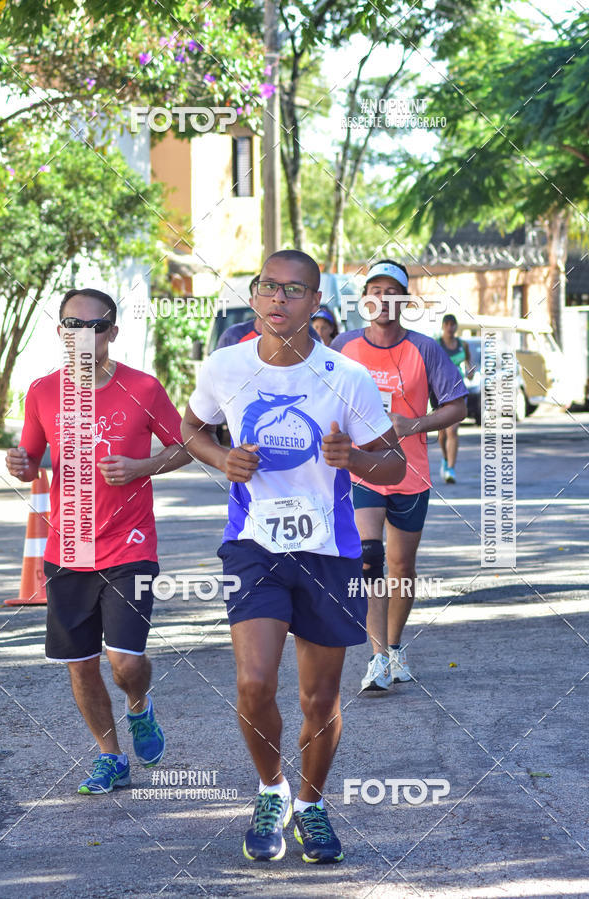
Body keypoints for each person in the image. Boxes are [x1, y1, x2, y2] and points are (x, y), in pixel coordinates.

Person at [181, 250, 405, 863]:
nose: (278, 299)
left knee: (319, 700)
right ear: (254, 295)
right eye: (267, 287)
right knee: (253, 683)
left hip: (330, 551)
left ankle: (311, 803)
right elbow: (188, 428)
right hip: (254, 545)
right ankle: (271, 790)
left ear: (315, 303)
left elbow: (395, 463)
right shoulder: (226, 366)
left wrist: (352, 460)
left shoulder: (347, 377)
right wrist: (219, 458)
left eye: (294, 290)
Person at [6, 288, 192, 795]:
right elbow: (30, 458)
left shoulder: (143, 388)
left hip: (130, 544)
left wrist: (142, 466)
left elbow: (187, 446)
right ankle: (110, 757)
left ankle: (139, 706)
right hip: (70, 548)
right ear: (60, 331)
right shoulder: (43, 391)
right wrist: (20, 464)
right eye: (71, 324)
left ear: (112, 332)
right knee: (82, 666)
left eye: (93, 325)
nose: (81, 335)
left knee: (125, 661)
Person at [331, 260, 467, 692]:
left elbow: (457, 406)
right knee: (369, 555)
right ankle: (376, 659)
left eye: (393, 292)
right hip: (362, 469)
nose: (383, 299)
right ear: (364, 297)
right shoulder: (344, 346)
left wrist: (414, 423)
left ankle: (394, 646)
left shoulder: (426, 349)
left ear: (404, 301)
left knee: (401, 567)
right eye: (375, 290)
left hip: (410, 472)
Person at [217, 276, 321, 348]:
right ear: (252, 303)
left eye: (272, 294)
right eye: (260, 297)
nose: (272, 301)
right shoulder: (233, 336)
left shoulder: (307, 333)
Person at [437, 314, 474, 484]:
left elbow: (470, 363)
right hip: (439, 392)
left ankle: (451, 468)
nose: (450, 328)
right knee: (442, 433)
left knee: (452, 430)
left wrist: (471, 371)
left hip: (458, 391)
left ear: (456, 327)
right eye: (448, 325)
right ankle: (445, 459)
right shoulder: (437, 344)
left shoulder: (462, 345)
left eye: (453, 325)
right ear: (443, 326)